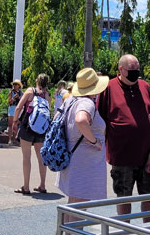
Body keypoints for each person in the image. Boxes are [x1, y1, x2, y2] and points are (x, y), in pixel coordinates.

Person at [96, 54, 150, 221]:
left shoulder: (145, 87)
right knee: (124, 197)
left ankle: (148, 231)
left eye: (137, 69)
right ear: (121, 69)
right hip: (122, 156)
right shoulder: (108, 88)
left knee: (148, 196)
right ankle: (125, 230)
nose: (135, 73)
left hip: (147, 156)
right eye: (132, 70)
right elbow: (99, 119)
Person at [56, 68, 107, 222]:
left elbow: (58, 118)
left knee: (73, 203)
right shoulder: (87, 102)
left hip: (72, 156)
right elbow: (81, 120)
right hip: (85, 162)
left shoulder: (71, 100)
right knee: (80, 207)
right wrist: (94, 141)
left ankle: (65, 232)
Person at [13, 73, 51, 195]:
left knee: (26, 157)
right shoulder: (47, 95)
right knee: (41, 158)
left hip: (27, 127)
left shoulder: (30, 91)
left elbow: (19, 107)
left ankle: (26, 186)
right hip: (41, 129)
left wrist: (14, 121)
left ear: (36, 81)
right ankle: (42, 185)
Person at [7, 80, 23, 145]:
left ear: (19, 86)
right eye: (14, 84)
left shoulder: (21, 93)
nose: (15, 85)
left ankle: (14, 139)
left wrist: (18, 97)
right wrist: (13, 98)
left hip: (17, 109)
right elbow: (9, 102)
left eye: (16, 84)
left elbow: (22, 102)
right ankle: (10, 140)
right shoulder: (11, 92)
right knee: (10, 125)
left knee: (16, 125)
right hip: (12, 108)